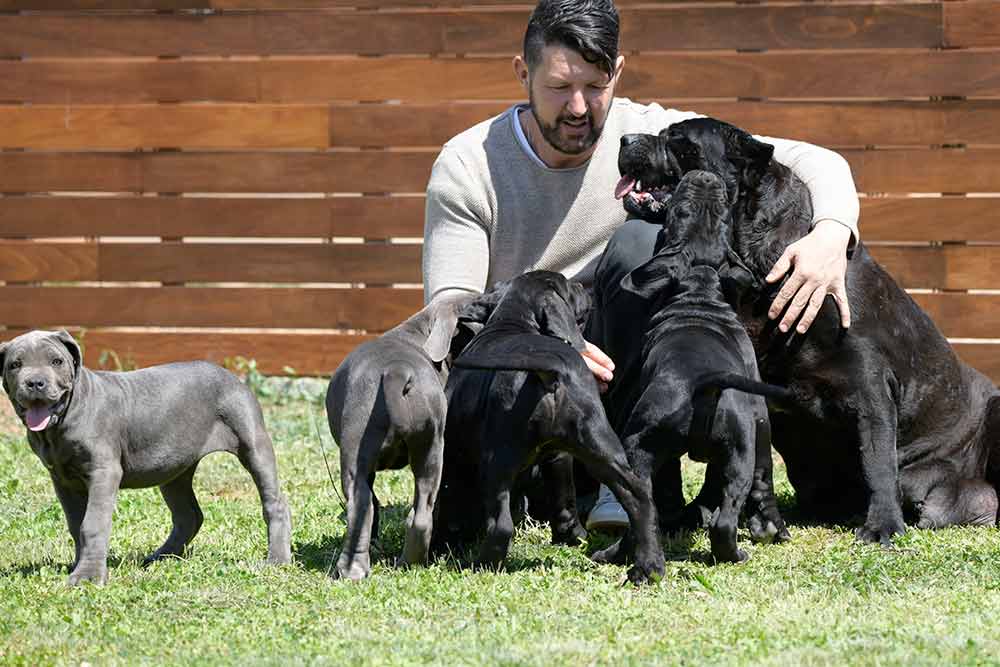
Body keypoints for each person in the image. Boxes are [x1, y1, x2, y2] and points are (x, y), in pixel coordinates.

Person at [422, 0, 859, 531]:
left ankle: (631, 479)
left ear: (618, 73)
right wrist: (554, 345)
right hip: (529, 367)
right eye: (560, 87)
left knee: (640, 238)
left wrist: (833, 233)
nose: (579, 107)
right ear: (523, 73)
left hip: (628, 362)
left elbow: (816, 160)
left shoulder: (649, 132)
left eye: (595, 86)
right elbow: (452, 309)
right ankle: (544, 483)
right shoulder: (469, 164)